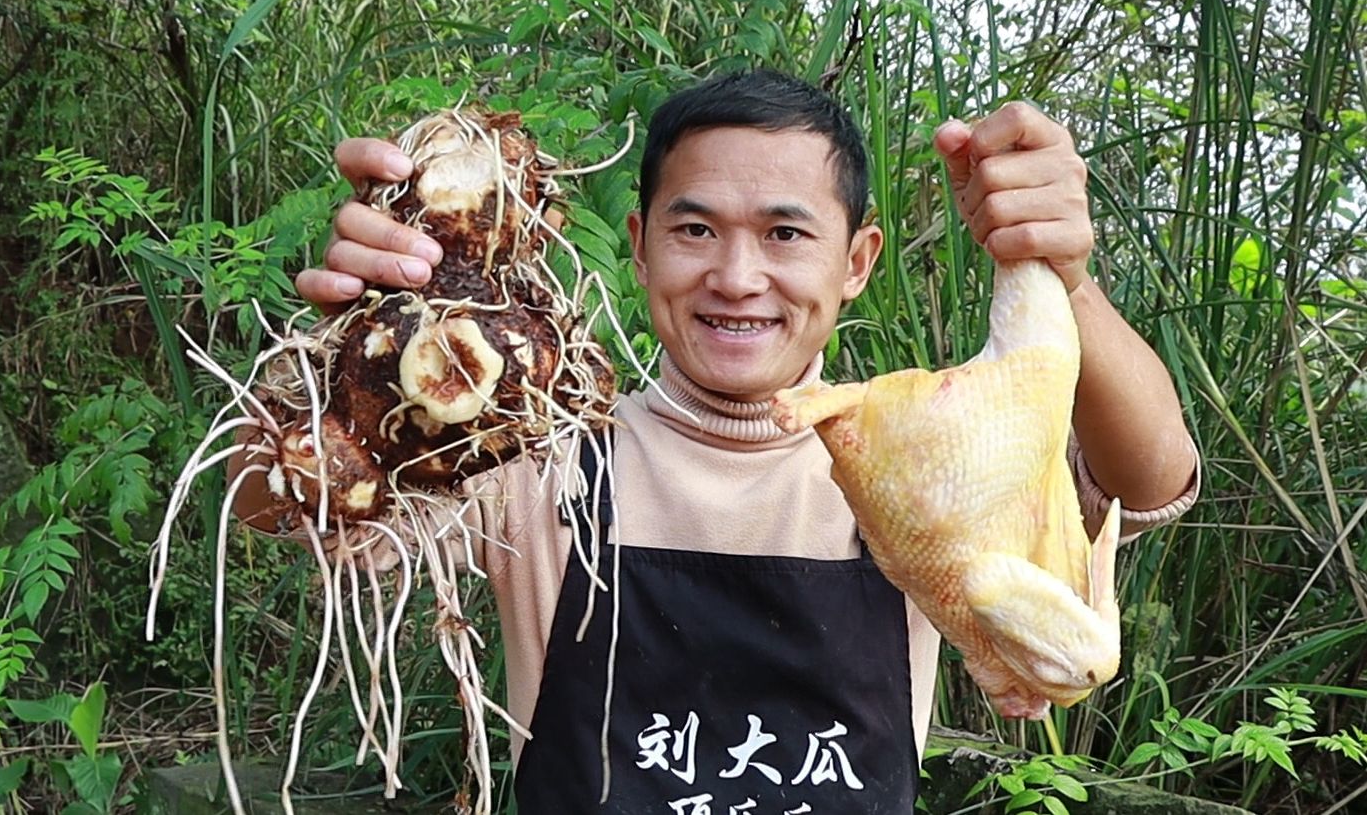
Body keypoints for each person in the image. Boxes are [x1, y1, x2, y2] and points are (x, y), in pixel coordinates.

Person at [288, 70, 1200, 813]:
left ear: (855, 263)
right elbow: (290, 503)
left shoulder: (928, 452)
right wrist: (357, 344)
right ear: (640, 248)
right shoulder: (538, 452)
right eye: (694, 230)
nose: (735, 277)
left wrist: (1058, 272)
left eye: (784, 233)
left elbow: (1149, 478)